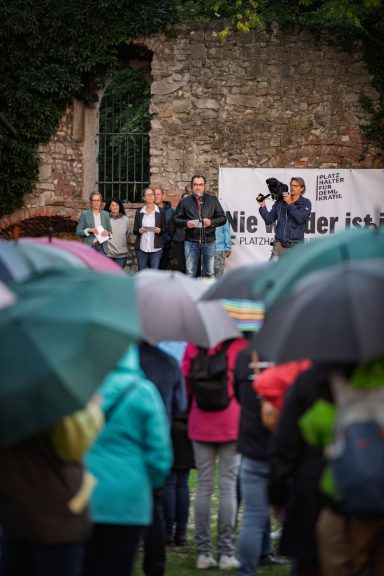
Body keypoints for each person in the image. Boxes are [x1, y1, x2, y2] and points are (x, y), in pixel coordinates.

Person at [85, 346, 172, 576]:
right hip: (129, 499)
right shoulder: (143, 392)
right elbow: (160, 455)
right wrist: (149, 485)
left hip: (83, 494)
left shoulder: (82, 389)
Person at [0, 400, 103, 576]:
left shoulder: (7, 396)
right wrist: (93, 409)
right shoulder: (50, 400)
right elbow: (74, 447)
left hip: (14, 511)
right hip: (56, 514)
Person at [182, 337, 248, 569]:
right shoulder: (239, 345)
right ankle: (225, 553)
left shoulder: (193, 345)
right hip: (231, 421)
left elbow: (186, 383)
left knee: (203, 485)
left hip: (200, 420)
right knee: (228, 485)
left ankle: (203, 553)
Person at [174, 175, 227, 278]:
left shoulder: (213, 200)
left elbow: (222, 218)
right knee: (190, 272)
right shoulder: (185, 201)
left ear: (204, 186)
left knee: (209, 273)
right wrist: (186, 223)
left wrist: (211, 222)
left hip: (209, 240)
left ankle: (207, 294)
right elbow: (176, 219)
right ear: (192, 186)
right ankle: (191, 294)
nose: (198, 187)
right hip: (191, 240)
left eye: (200, 185)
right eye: (195, 184)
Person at [256, 177, 311, 260]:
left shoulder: (305, 202)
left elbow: (301, 219)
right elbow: (269, 220)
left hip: (295, 247)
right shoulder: (281, 201)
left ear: (302, 188)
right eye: (291, 185)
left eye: (296, 186)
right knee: (272, 272)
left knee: (292, 273)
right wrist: (262, 205)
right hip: (279, 246)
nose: (292, 187)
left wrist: (289, 203)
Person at [133, 187, 166, 271]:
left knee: (154, 272)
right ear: (144, 198)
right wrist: (139, 230)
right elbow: (135, 230)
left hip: (156, 248)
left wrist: (160, 230)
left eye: (152, 194)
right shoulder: (139, 212)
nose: (150, 197)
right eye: (147, 195)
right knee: (142, 271)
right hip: (142, 247)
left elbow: (164, 229)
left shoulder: (161, 211)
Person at [103, 197, 130, 268]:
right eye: (112, 205)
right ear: (109, 207)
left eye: (117, 205)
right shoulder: (105, 219)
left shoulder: (125, 219)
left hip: (122, 255)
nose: (115, 207)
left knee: (118, 276)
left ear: (120, 206)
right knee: (108, 277)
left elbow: (127, 235)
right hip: (108, 255)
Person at [153, 185, 175, 271]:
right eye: (154, 194)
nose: (156, 196)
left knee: (163, 269)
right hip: (152, 245)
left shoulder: (171, 211)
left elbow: (173, 228)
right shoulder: (149, 210)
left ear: (163, 196)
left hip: (165, 245)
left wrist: (169, 240)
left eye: (158, 194)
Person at [170, 187, 190, 273]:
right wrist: (175, 237)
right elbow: (172, 228)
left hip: (191, 242)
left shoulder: (195, 213)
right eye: (184, 199)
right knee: (178, 267)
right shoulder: (176, 213)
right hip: (179, 242)